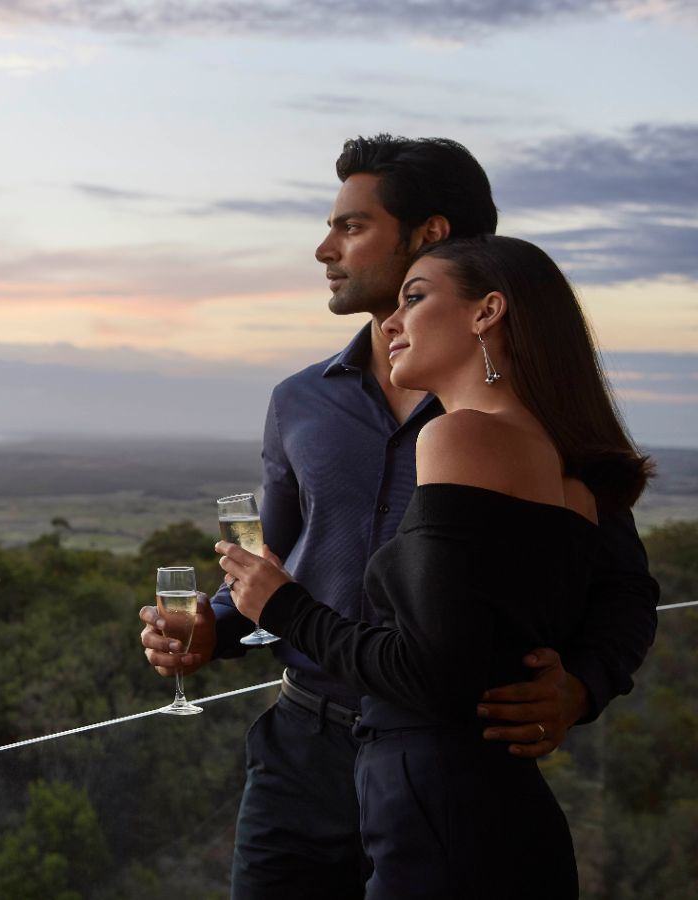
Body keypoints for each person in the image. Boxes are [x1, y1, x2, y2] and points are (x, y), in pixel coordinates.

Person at [138, 135, 660, 898]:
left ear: (430, 234)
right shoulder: (299, 401)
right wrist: (213, 629)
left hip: (446, 760)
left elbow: (619, 585)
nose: (325, 248)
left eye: (351, 226)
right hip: (302, 751)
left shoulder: (518, 417)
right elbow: (273, 554)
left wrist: (583, 684)